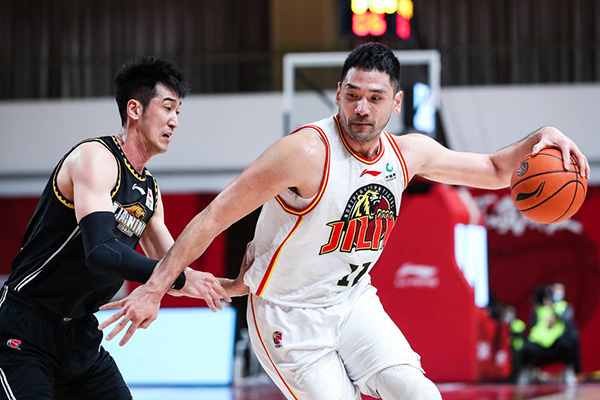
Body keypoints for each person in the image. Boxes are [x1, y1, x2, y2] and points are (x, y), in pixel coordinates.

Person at [99, 43, 590, 400]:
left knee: (421, 394)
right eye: (352, 95)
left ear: (397, 103)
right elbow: (211, 218)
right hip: (288, 316)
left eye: (375, 98)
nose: (361, 108)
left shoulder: (408, 153)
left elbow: (497, 170)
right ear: (337, 94)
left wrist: (542, 135)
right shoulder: (303, 153)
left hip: (353, 303)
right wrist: (154, 288)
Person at [0, 56, 231, 400]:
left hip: (80, 337)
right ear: (135, 109)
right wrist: (178, 278)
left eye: (178, 112)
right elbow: (101, 251)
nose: (175, 121)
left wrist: (236, 285)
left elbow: (173, 269)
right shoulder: (96, 157)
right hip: (26, 329)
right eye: (168, 108)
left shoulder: (150, 190)